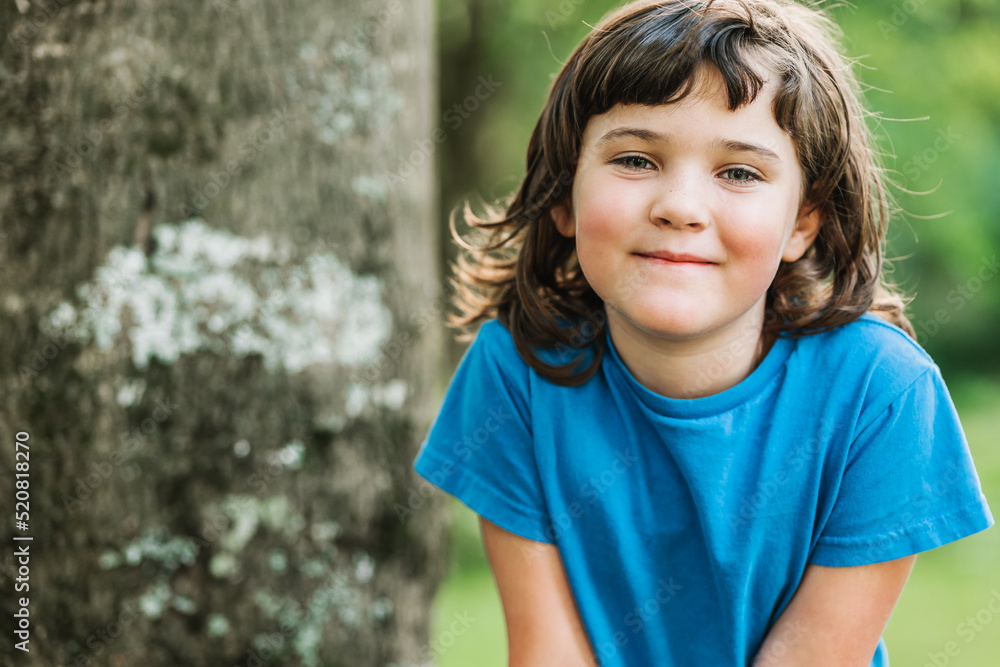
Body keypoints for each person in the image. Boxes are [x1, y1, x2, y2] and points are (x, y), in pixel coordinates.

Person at [412, 0, 995, 664]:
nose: (680, 207)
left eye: (738, 173)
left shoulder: (882, 395)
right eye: (635, 160)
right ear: (562, 194)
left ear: (802, 223)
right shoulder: (515, 373)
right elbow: (548, 652)